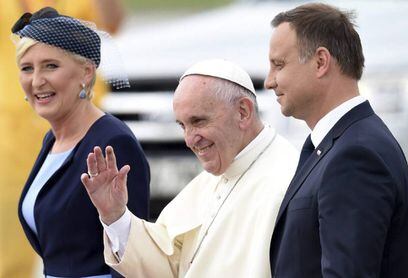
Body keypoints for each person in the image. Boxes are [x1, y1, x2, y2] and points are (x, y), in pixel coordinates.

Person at [81, 59, 299, 277]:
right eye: (183, 126)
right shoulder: (210, 181)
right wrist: (115, 215)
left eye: (199, 122)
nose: (189, 140)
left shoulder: (287, 182)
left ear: (243, 112)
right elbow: (167, 267)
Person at [265, 3, 408, 277]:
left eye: (279, 65)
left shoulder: (355, 155)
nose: (269, 81)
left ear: (321, 62)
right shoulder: (342, 144)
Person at [12, 7, 150, 277]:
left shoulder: (112, 142)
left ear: (87, 73)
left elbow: (135, 253)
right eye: (27, 68)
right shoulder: (52, 140)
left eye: (51, 66)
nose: (37, 81)